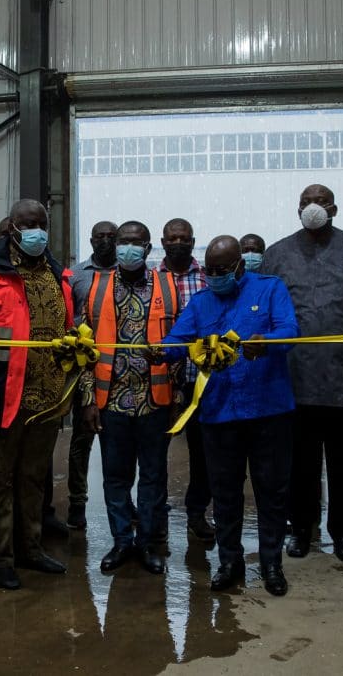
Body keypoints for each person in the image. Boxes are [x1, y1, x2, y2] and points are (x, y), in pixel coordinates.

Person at [161, 235, 300, 596]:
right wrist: (159, 353)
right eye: (209, 270)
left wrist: (265, 341)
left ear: (240, 265)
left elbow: (290, 329)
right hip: (219, 413)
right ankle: (229, 561)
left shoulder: (270, 289)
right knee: (224, 492)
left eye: (222, 270)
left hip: (268, 411)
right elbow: (177, 339)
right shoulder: (202, 301)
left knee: (271, 490)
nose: (215, 276)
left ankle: (271, 563)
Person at [262, 183, 343, 563]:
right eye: (305, 202)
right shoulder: (277, 254)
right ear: (296, 208)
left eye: (320, 202)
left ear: (335, 208)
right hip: (293, 383)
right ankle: (300, 530)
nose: (313, 208)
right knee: (299, 466)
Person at [0, 199, 74, 590]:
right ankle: (0, 559)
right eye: (27, 223)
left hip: (47, 399)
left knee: (32, 480)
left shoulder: (57, 275)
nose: (36, 230)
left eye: (41, 222)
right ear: (12, 229)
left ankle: (31, 549)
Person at [80, 221, 179, 576]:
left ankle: (147, 543)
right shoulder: (97, 287)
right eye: (124, 241)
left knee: (154, 477)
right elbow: (85, 351)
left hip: (155, 401)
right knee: (116, 478)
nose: (128, 248)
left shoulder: (167, 286)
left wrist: (177, 402)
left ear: (149, 249)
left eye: (137, 242)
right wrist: (90, 399)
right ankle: (122, 541)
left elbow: (180, 345)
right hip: (112, 400)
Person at [158, 217, 213, 544]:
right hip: (159, 380)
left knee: (202, 453)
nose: (178, 243)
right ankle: (156, 514)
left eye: (184, 238)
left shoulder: (208, 280)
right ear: (163, 243)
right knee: (154, 453)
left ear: (193, 242)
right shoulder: (151, 280)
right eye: (172, 238)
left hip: (198, 380)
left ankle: (197, 512)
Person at [64, 220, 118, 530]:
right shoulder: (77, 276)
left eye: (112, 236)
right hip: (85, 366)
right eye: (101, 236)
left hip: (118, 368)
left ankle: (121, 501)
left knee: (119, 440)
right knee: (82, 437)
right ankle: (77, 502)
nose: (107, 241)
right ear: (91, 239)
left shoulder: (127, 274)